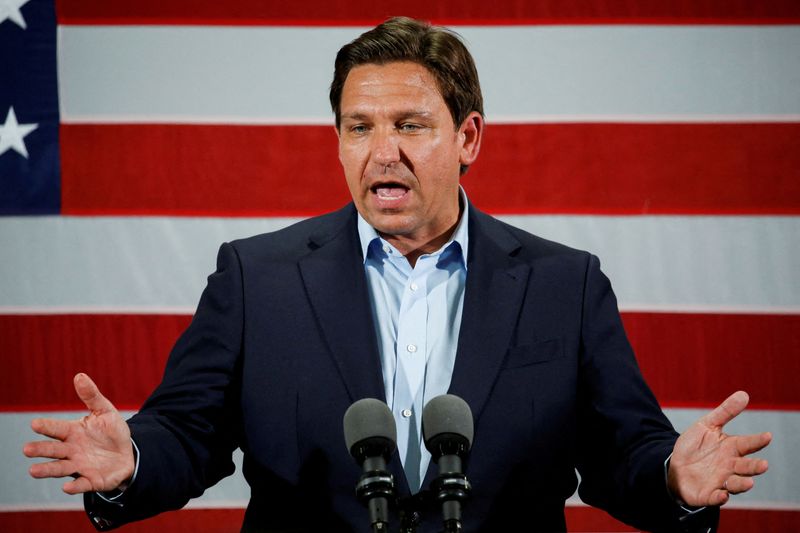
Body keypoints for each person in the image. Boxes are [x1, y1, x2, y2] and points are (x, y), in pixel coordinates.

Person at [24, 17, 770, 532]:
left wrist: (673, 478)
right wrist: (133, 462)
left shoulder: (562, 284)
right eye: (359, 127)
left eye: (410, 124)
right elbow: (188, 432)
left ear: (467, 136)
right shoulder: (258, 277)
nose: (383, 151)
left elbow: (620, 454)